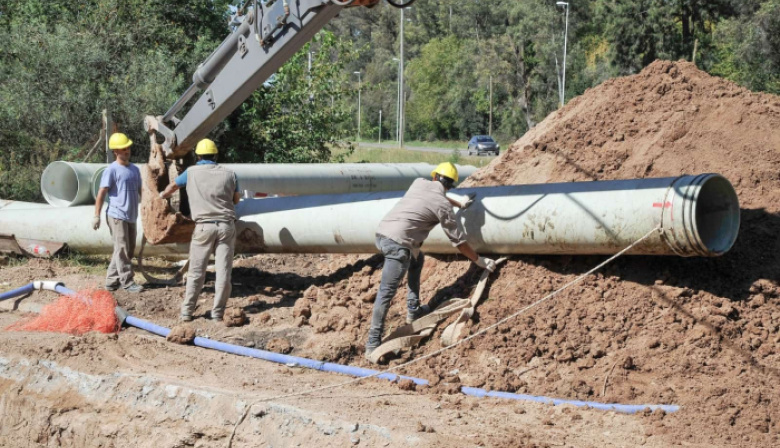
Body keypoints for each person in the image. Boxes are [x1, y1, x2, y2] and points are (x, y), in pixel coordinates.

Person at [365, 162, 496, 360]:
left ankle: (413, 311)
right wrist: (479, 260)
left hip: (383, 233)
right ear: (450, 185)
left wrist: (459, 204)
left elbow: (435, 194)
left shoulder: (418, 182)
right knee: (386, 292)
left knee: (417, 260)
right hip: (399, 245)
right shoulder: (443, 205)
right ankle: (372, 344)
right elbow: (459, 242)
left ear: (434, 177)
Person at [160, 138, 240, 323]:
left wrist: (162, 195)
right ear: (215, 155)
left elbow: (173, 186)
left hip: (204, 227)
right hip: (226, 227)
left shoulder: (191, 172)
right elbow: (236, 200)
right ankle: (217, 313)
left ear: (198, 156)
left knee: (196, 271)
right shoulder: (230, 174)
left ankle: (187, 312)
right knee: (223, 272)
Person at [93, 132, 144, 293]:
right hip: (116, 215)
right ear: (115, 151)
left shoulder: (135, 169)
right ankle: (127, 282)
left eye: (128, 147)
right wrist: (96, 215)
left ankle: (111, 281)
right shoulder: (112, 170)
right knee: (122, 249)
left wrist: (147, 207)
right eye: (123, 149)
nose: (127, 151)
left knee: (128, 250)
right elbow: (102, 192)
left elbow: (141, 191)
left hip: (131, 215)